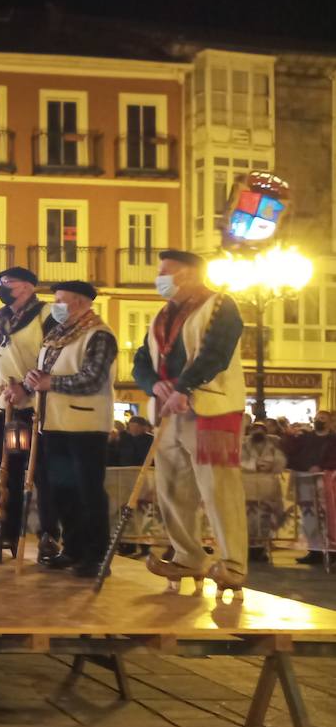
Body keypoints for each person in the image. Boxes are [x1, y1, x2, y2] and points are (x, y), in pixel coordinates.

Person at [133, 250, 249, 595]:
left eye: (166, 272)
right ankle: (188, 555)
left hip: (211, 410)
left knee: (218, 489)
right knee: (172, 489)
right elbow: (142, 358)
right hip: (170, 413)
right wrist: (153, 383)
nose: (160, 279)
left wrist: (184, 386)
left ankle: (233, 565)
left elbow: (216, 352)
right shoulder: (161, 315)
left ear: (189, 274)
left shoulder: (220, 306)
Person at [13, 281, 117, 578]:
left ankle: (96, 555)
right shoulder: (57, 334)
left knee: (89, 492)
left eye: (61, 300)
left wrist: (49, 383)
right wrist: (32, 381)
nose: (55, 306)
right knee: (63, 492)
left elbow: (92, 379)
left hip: (85, 425)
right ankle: (72, 548)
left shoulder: (99, 335)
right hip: (53, 423)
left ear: (81, 303)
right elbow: (46, 372)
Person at [0, 266, 59, 559]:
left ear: (27, 287)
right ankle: (8, 530)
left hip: (33, 406)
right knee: (6, 471)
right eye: (0, 281)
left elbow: (52, 356)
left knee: (40, 472)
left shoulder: (45, 315)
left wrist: (27, 389)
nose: (2, 286)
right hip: (2, 405)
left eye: (8, 282)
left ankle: (49, 535)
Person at [241, 421, 287, 562]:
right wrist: (253, 465)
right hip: (247, 488)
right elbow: (237, 460)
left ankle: (262, 549)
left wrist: (271, 464)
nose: (258, 432)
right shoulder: (243, 445)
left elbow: (281, 460)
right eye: (255, 429)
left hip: (268, 489)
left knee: (265, 521)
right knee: (247, 521)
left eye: (261, 429)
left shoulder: (273, 445)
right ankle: (248, 550)